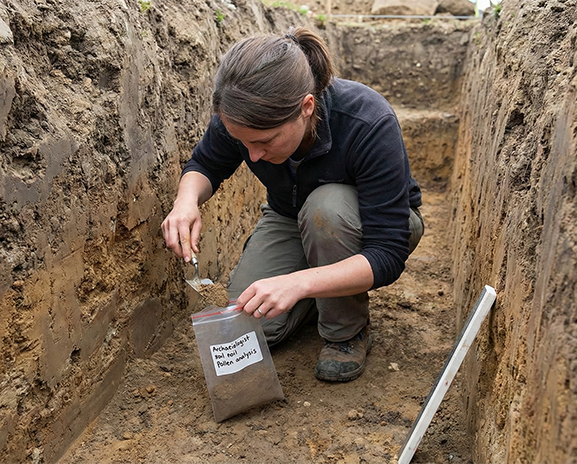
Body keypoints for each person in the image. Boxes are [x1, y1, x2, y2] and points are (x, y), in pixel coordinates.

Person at [161, 26, 424, 382]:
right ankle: (319, 291)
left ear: (306, 107)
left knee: (326, 209)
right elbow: (205, 165)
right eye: (244, 143)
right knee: (249, 330)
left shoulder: (367, 121)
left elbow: (387, 252)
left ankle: (346, 332)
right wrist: (185, 201)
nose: (253, 154)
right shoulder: (240, 115)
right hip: (290, 217)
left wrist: (298, 284)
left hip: (363, 224)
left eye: (265, 141)